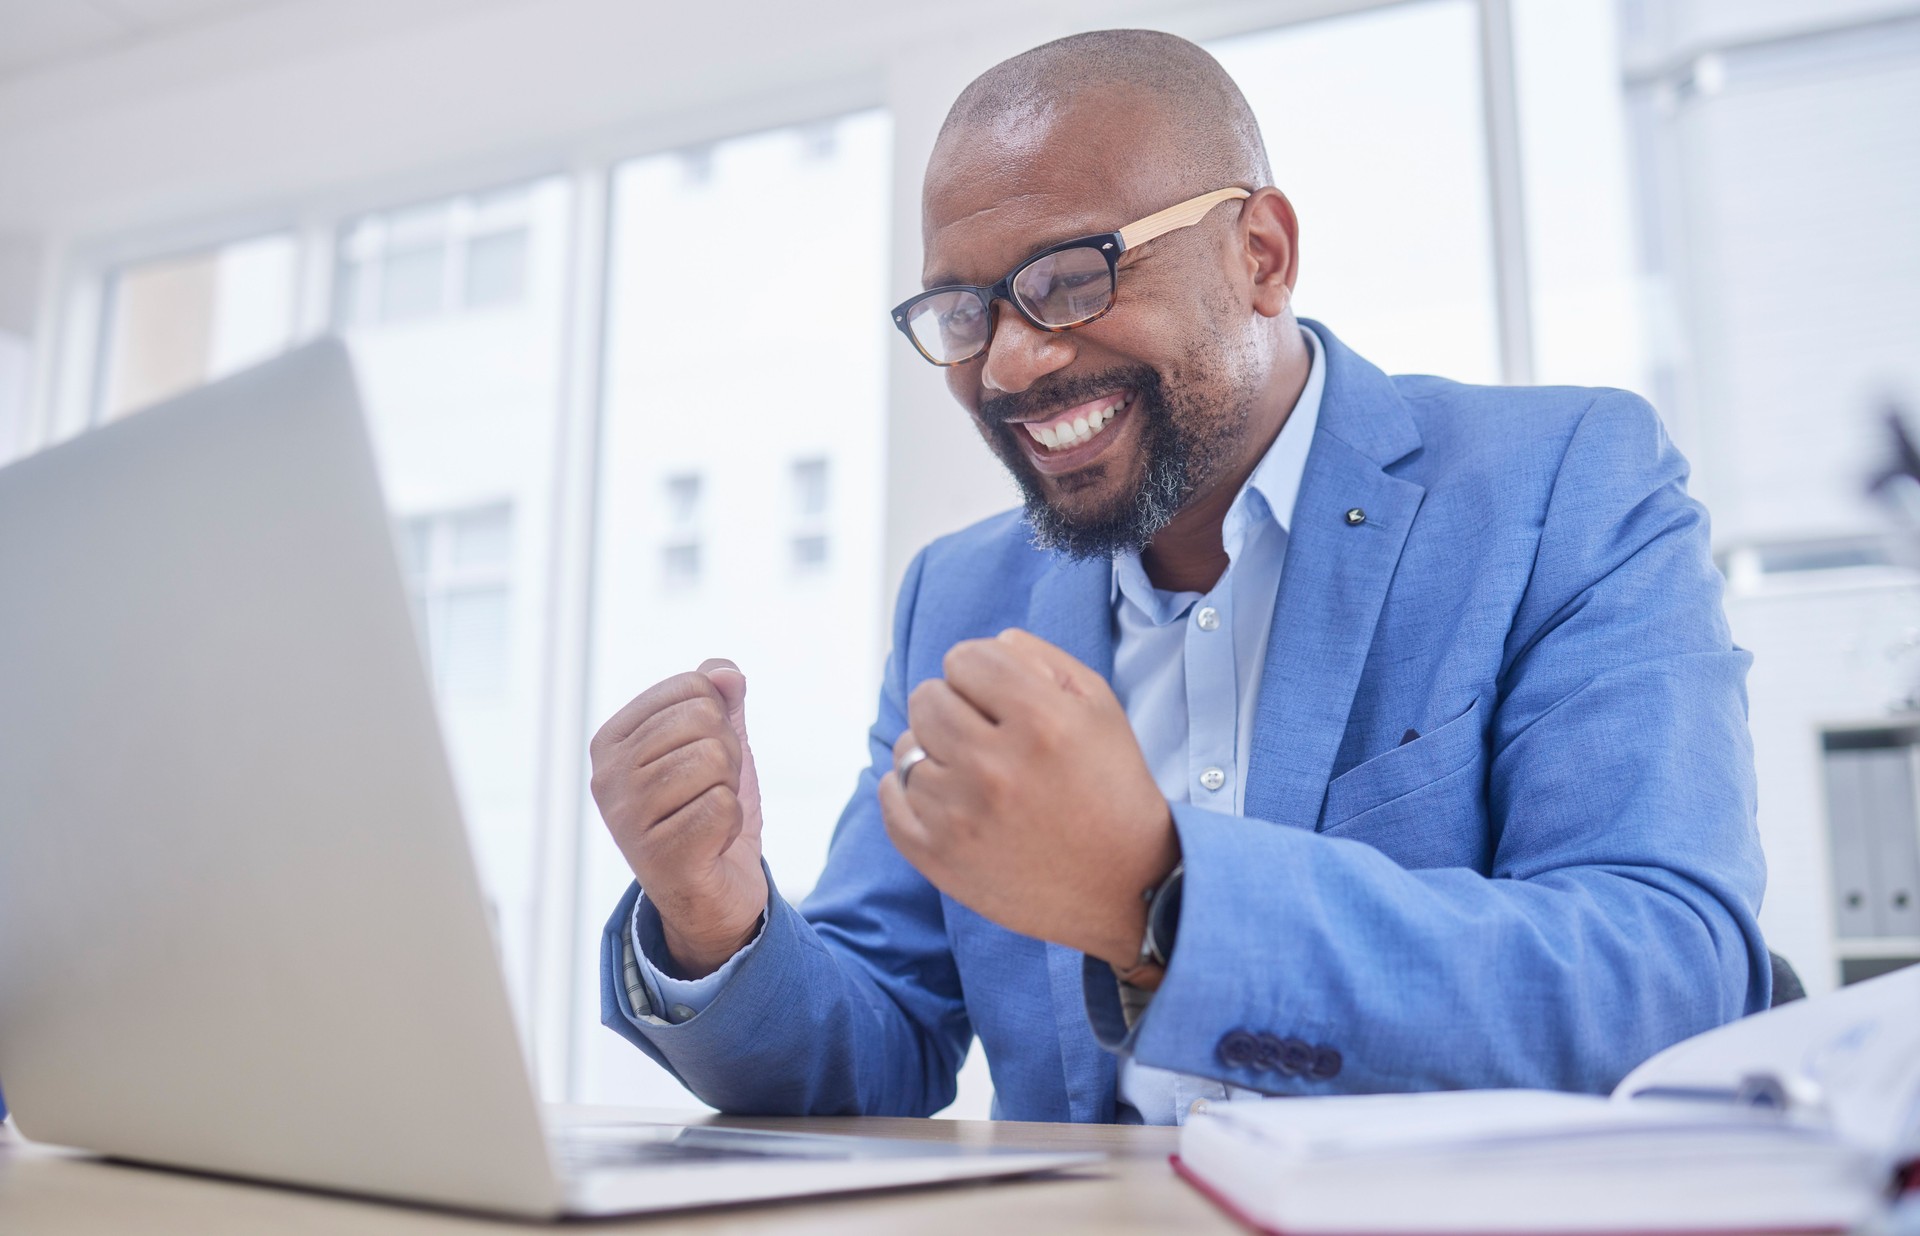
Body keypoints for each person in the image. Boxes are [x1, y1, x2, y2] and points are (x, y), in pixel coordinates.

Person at [588, 29, 1768, 1125]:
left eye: (1071, 277)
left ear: (1262, 254)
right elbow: (881, 1038)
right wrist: (714, 917)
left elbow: (1666, 975)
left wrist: (1159, 900)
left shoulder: (1560, 485)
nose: (1009, 361)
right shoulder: (957, 601)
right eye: (965, 310)